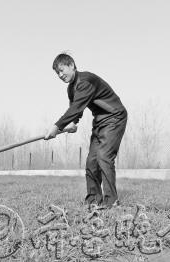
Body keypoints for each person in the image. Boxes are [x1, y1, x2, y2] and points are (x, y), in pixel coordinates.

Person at [45, 53, 127, 209]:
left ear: (72, 65)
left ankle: (111, 202)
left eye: (63, 70)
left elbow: (76, 108)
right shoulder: (71, 89)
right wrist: (72, 123)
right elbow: (76, 110)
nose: (61, 75)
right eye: (58, 73)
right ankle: (93, 200)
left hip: (115, 117)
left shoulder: (86, 81)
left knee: (104, 157)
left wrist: (57, 126)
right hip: (100, 121)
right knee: (91, 162)